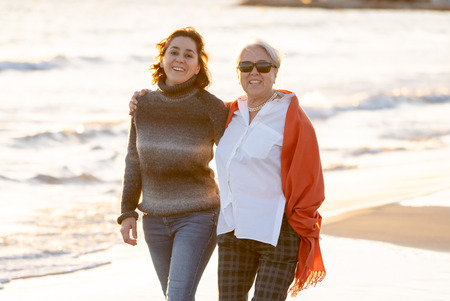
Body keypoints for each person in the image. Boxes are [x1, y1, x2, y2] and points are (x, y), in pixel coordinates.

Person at [130, 39, 326, 300]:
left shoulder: (291, 117)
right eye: (246, 66)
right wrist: (146, 98)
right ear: (238, 73)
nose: (254, 72)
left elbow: (311, 179)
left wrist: (301, 227)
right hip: (234, 232)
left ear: (275, 71)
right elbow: (185, 113)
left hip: (277, 233)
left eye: (263, 66)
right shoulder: (230, 112)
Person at [118, 26, 228, 301]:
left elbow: (235, 157)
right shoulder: (144, 104)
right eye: (174, 52)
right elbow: (134, 160)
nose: (180, 59)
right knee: (176, 296)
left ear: (198, 66)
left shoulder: (211, 107)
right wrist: (127, 211)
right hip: (153, 220)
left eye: (189, 55)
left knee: (177, 297)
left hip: (198, 216)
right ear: (163, 58)